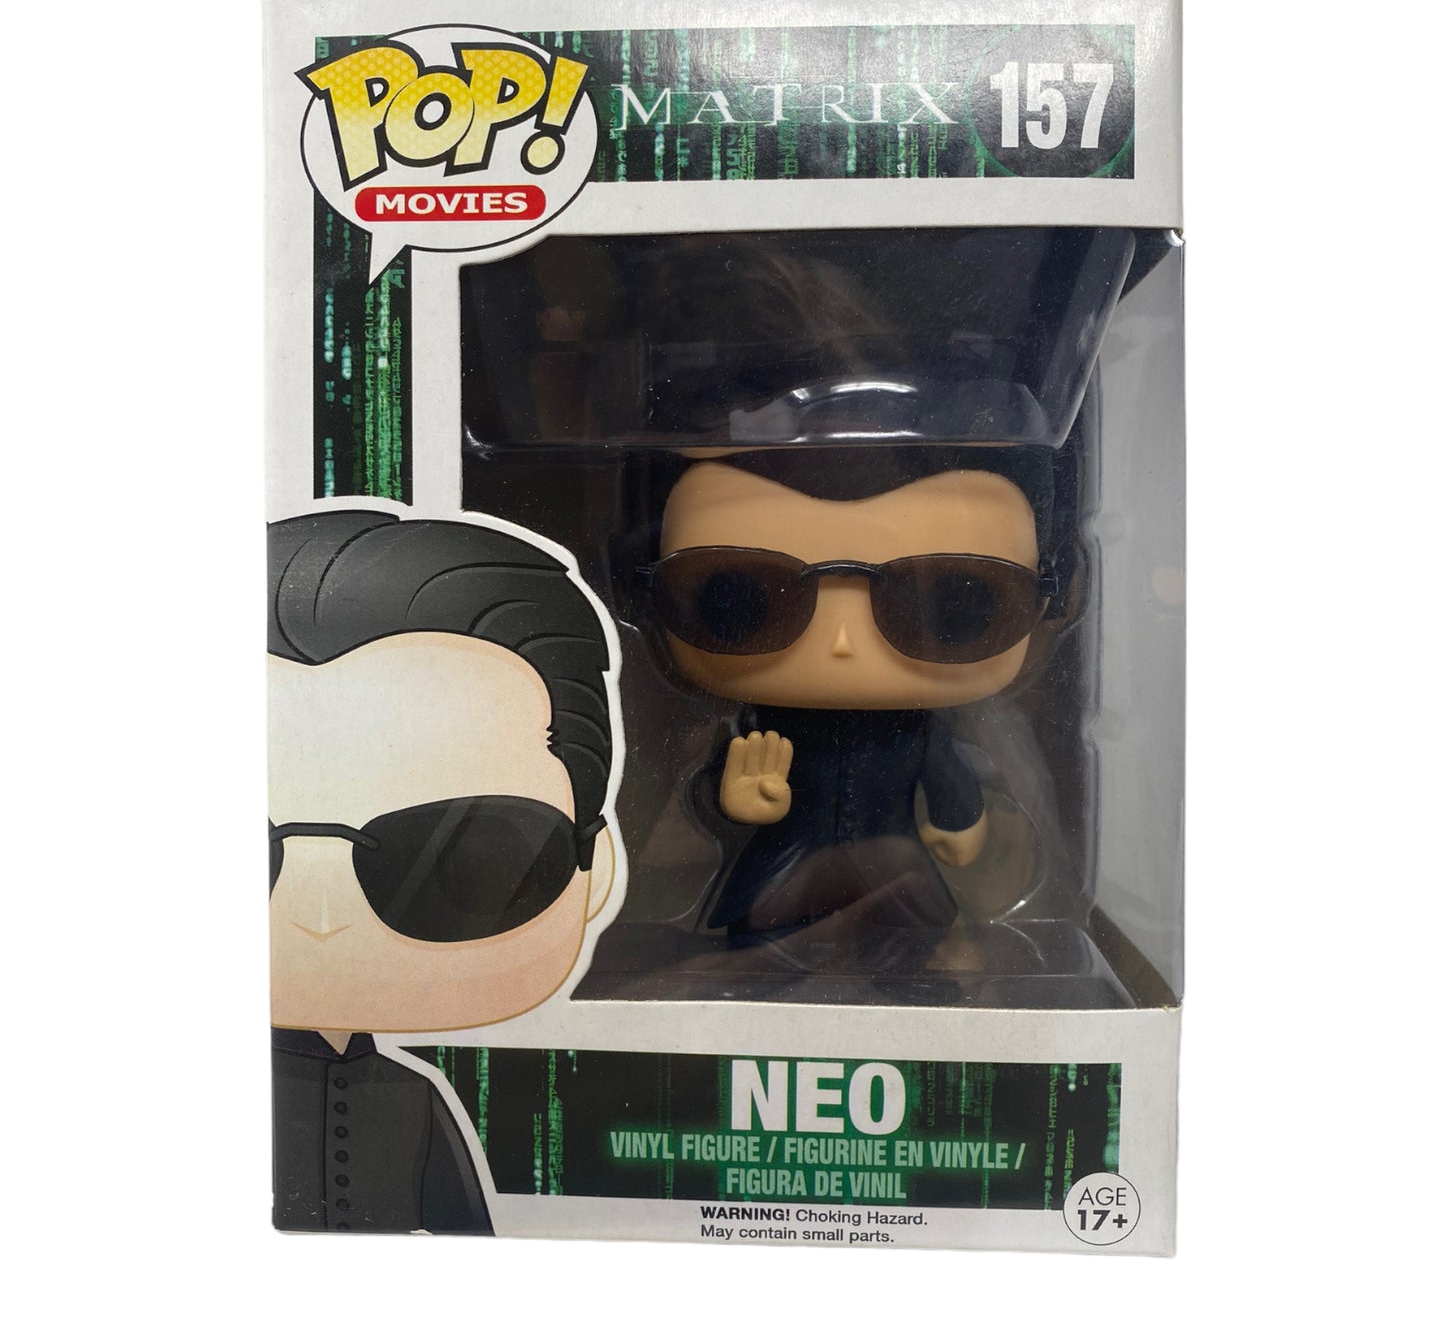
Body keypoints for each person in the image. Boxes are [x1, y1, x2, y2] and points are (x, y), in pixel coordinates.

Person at [268, 510, 617, 1233]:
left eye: (457, 858)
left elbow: (474, 1231)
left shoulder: (413, 1098)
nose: (319, 916)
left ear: (597, 866)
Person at [646, 445, 1058, 975]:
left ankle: (903, 975)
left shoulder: (917, 727)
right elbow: (722, 775)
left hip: (892, 852)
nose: (842, 641)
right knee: (763, 922)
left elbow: (945, 770)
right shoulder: (766, 725)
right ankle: (765, 970)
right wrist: (733, 801)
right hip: (791, 848)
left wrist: (959, 818)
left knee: (910, 925)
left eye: (953, 600)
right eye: (744, 596)